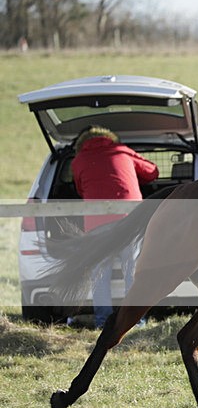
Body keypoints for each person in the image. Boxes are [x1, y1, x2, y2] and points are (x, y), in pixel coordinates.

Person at [70, 125, 159, 327]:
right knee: (132, 272)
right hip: (129, 221)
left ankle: (103, 322)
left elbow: (80, 188)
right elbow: (153, 172)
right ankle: (136, 321)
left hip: (96, 225)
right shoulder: (122, 152)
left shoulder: (78, 161)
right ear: (111, 139)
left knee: (100, 276)